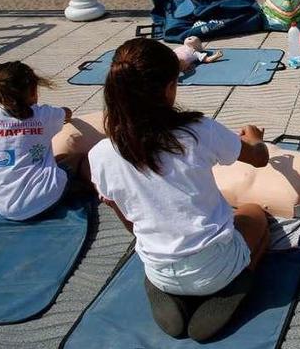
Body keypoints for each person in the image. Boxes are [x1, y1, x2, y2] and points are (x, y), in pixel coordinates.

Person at [88, 38, 272, 342]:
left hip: (158, 266)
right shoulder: (198, 130)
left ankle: (165, 289)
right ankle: (233, 286)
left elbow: (126, 220)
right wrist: (254, 137)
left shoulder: (100, 154)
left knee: (164, 254)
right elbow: (259, 159)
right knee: (254, 214)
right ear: (169, 88)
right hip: (215, 266)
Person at [0, 61, 73, 221]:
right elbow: (67, 113)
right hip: (44, 198)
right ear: (33, 91)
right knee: (69, 165)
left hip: (2, 205)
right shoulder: (44, 114)